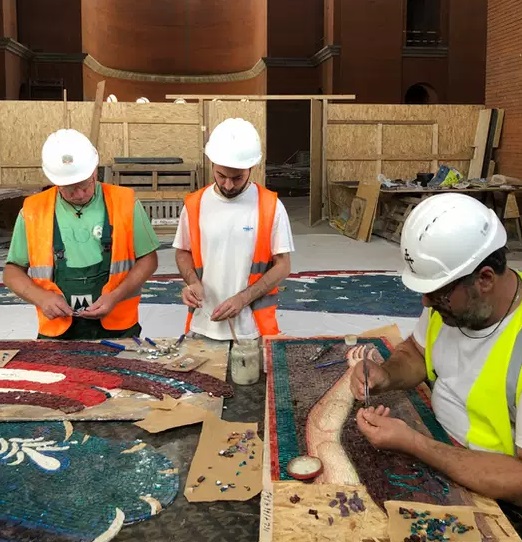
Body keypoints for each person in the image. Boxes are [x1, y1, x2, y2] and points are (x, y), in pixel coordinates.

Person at [350, 193, 522, 511]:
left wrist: (416, 444)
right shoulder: (453, 305)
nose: (426, 302)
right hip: (437, 440)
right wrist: (385, 375)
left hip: (495, 492)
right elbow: (417, 352)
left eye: (438, 293)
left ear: (485, 279)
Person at [4, 128, 160, 340]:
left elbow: (149, 260)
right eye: (69, 188)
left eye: (85, 185)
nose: (79, 194)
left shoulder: (126, 202)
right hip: (57, 329)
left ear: (95, 171)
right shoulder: (33, 211)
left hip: (119, 324)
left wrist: (115, 296)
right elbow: (12, 272)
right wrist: (41, 298)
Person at [174, 118, 294, 341]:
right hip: (203, 323)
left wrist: (243, 299)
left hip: (253, 328)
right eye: (221, 176)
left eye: (237, 178)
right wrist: (192, 282)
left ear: (251, 168)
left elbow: (283, 265)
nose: (228, 185)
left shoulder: (270, 206)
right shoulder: (194, 205)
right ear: (212, 164)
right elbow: (183, 252)